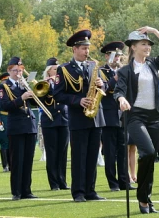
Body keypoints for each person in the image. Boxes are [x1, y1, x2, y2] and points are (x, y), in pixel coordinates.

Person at [114, 27, 159, 214]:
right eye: (143, 44)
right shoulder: (125, 71)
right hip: (136, 116)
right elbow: (119, 90)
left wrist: (154, 31)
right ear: (133, 47)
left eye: (149, 44)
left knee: (151, 159)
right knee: (147, 152)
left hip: (154, 117)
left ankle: (146, 199)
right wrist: (121, 99)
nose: (147, 47)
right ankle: (142, 198)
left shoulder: (153, 65)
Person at [54, 29, 106, 202]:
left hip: (96, 117)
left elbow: (103, 89)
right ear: (74, 49)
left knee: (92, 156)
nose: (87, 52)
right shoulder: (64, 70)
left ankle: (91, 190)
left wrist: (101, 84)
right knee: (79, 157)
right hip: (78, 119)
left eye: (88, 48)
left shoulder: (93, 66)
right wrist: (78, 100)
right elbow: (58, 95)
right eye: (83, 48)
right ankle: (78, 192)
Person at [0, 57, 38, 201]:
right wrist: (22, 98)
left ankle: (27, 190)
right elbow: (4, 106)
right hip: (16, 127)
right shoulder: (4, 86)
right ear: (9, 71)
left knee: (28, 160)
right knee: (17, 161)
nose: (18, 73)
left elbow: (35, 102)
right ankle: (16, 191)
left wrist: (32, 91)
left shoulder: (24, 84)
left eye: (20, 70)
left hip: (29, 126)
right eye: (15, 70)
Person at [99, 42, 133, 191]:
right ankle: (113, 183)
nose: (117, 58)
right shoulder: (100, 71)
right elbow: (104, 90)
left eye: (119, 55)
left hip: (123, 115)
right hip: (108, 115)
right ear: (107, 56)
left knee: (123, 151)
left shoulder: (124, 71)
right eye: (114, 55)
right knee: (110, 152)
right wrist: (115, 77)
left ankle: (124, 181)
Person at [39, 57, 70, 190]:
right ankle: (54, 183)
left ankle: (62, 181)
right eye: (55, 69)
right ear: (49, 71)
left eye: (58, 69)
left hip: (63, 119)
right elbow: (38, 100)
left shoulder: (63, 82)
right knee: (52, 153)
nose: (57, 72)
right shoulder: (43, 84)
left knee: (62, 152)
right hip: (49, 120)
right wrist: (48, 84)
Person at [0, 72, 11, 172]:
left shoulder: (12, 91)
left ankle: (12, 164)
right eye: (5, 80)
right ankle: (5, 165)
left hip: (12, 119)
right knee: (4, 144)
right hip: (3, 119)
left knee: (13, 143)